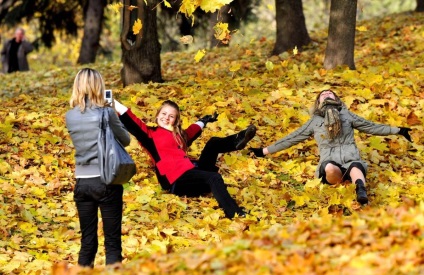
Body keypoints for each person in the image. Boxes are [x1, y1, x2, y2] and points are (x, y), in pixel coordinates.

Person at [249, 89, 412, 205]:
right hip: (330, 164)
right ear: (318, 102)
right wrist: (264, 151)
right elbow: (293, 138)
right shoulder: (315, 121)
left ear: (336, 98)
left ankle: (361, 190)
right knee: (330, 168)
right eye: (323, 94)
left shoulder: (347, 115)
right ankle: (342, 183)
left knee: (356, 166)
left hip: (350, 161)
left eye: (330, 93)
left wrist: (398, 130)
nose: (327, 94)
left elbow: (370, 126)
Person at [113, 99, 256, 219]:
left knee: (213, 143)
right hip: (177, 181)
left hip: (192, 173)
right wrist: (110, 100)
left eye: (171, 116)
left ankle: (239, 139)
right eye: (163, 114)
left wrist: (204, 120)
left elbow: (192, 131)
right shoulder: (149, 135)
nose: (166, 118)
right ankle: (235, 213)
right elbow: (132, 120)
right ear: (157, 116)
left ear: (175, 120)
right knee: (214, 177)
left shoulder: (178, 136)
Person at [65, 68, 130, 267]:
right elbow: (125, 139)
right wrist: (112, 112)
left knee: (87, 243)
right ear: (98, 86)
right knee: (112, 243)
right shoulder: (106, 112)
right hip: (106, 181)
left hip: (82, 183)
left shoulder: (70, 116)